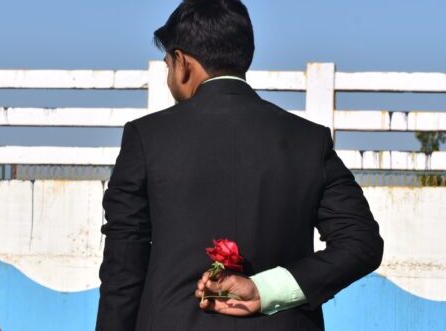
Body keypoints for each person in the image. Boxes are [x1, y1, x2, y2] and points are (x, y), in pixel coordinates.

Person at [96, 1, 383, 330]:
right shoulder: (309, 141)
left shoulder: (146, 139)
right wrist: (266, 289)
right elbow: (361, 244)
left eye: (167, 65)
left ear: (182, 63)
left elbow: (123, 273)